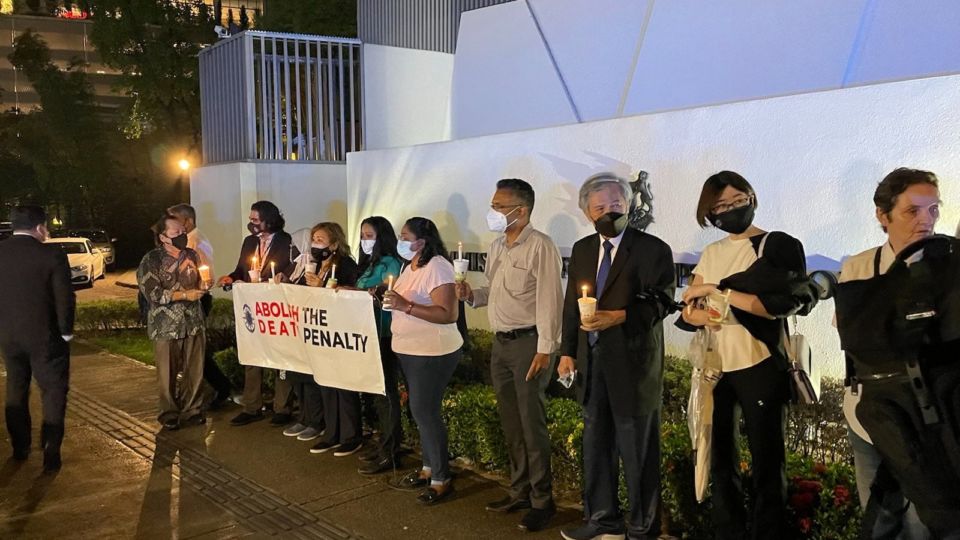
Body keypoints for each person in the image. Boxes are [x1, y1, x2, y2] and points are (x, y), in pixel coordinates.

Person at [681, 171, 816, 540]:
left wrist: (716, 293)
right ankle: (728, 531)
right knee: (720, 455)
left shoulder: (775, 245)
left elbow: (774, 307)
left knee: (767, 458)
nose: (730, 210)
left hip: (758, 362)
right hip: (715, 366)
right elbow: (688, 311)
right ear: (710, 213)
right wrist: (704, 304)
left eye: (737, 200)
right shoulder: (712, 252)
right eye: (720, 206)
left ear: (752, 198)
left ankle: (768, 532)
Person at [836, 168, 955, 539]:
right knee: (879, 516)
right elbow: (852, 338)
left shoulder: (948, 267)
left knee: (925, 521)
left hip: (931, 421)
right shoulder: (858, 268)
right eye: (913, 211)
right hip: (869, 415)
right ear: (882, 215)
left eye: (933, 209)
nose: (927, 221)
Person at [557, 173, 675, 540]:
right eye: (600, 207)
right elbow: (571, 305)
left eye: (616, 205)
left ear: (628, 205)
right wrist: (567, 353)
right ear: (587, 214)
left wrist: (619, 316)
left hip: (633, 365)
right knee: (596, 446)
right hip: (592, 366)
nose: (610, 212)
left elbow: (663, 300)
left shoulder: (652, 249)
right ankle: (602, 520)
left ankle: (642, 529)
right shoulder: (581, 249)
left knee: (637, 451)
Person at [458, 179, 563, 532]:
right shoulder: (498, 246)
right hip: (501, 345)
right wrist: (471, 294)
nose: (494, 212)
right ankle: (518, 489)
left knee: (532, 424)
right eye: (494, 205)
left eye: (500, 206)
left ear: (523, 210)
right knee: (510, 420)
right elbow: (493, 290)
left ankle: (542, 500)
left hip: (528, 345)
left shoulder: (541, 247)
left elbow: (551, 300)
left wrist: (546, 348)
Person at [384, 217, 463, 505]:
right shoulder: (411, 265)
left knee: (425, 412)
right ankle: (428, 468)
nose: (401, 241)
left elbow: (448, 313)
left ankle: (442, 479)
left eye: (406, 236)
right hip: (409, 348)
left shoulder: (438, 267)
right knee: (420, 411)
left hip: (432, 351)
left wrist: (406, 306)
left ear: (423, 240)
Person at [0, 205, 75, 472]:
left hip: (8, 337)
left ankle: (20, 446)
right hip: (46, 337)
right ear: (41, 227)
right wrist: (66, 331)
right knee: (53, 390)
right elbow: (64, 297)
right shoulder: (52, 254)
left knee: (16, 388)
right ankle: (50, 449)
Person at [217, 200, 294, 427]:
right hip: (252, 306)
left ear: (269, 220)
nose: (251, 224)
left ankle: (283, 407)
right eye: (250, 220)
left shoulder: (286, 241)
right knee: (253, 355)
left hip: (275, 307)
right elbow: (242, 269)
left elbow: (289, 269)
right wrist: (231, 277)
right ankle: (252, 406)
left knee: (280, 356)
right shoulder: (250, 241)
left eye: (255, 220)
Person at [137, 214, 208, 431]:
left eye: (183, 232)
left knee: (195, 369)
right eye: (176, 233)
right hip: (165, 325)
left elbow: (198, 281)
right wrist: (184, 295)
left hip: (193, 321)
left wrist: (204, 284)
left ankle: (193, 409)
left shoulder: (192, 255)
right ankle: (169, 412)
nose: (182, 236)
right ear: (163, 237)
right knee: (167, 371)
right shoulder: (152, 260)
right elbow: (152, 293)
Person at [303, 222, 364, 457]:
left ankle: (351, 435)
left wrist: (325, 288)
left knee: (343, 385)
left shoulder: (346, 265)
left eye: (321, 239)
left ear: (335, 243)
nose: (316, 244)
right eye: (314, 239)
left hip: (340, 330)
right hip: (320, 329)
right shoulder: (314, 264)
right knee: (326, 382)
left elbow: (350, 294)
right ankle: (331, 433)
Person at [352, 216, 404, 474]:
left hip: (384, 333)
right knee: (375, 392)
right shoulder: (369, 263)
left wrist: (374, 292)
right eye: (362, 235)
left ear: (381, 237)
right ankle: (383, 441)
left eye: (369, 236)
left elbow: (388, 291)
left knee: (386, 392)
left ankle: (391, 450)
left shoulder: (390, 263)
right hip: (367, 333)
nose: (364, 241)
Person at [167, 203, 232, 409]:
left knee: (195, 348)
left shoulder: (197, 242)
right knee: (190, 348)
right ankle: (209, 388)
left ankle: (217, 387)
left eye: (175, 220)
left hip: (196, 299)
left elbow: (207, 277)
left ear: (188, 221)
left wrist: (193, 286)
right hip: (185, 298)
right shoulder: (184, 241)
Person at [278, 228, 327, 444]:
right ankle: (304, 417)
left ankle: (316, 421)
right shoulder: (296, 264)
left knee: (310, 379)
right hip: (294, 328)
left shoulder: (315, 265)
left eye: (319, 240)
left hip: (310, 328)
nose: (293, 249)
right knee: (296, 376)